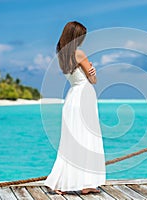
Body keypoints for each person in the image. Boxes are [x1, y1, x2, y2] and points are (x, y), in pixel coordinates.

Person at [44, 21, 106, 195]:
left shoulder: (62, 56)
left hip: (72, 97)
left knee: (72, 141)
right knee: (87, 139)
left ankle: (63, 182)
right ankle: (86, 183)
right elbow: (93, 80)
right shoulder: (79, 53)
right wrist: (93, 72)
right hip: (84, 97)